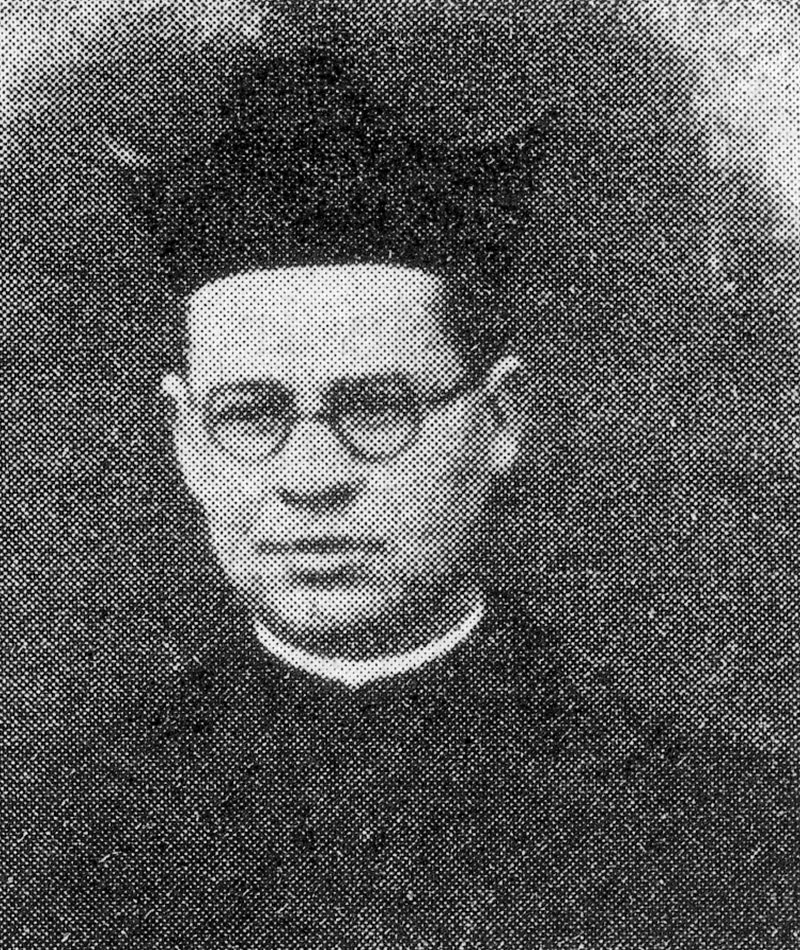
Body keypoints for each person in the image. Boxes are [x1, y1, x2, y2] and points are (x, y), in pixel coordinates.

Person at [10, 58, 799, 950]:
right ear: (189, 444)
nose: (312, 476)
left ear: (498, 423)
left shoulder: (720, 824)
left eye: (376, 409)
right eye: (251, 415)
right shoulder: (60, 835)